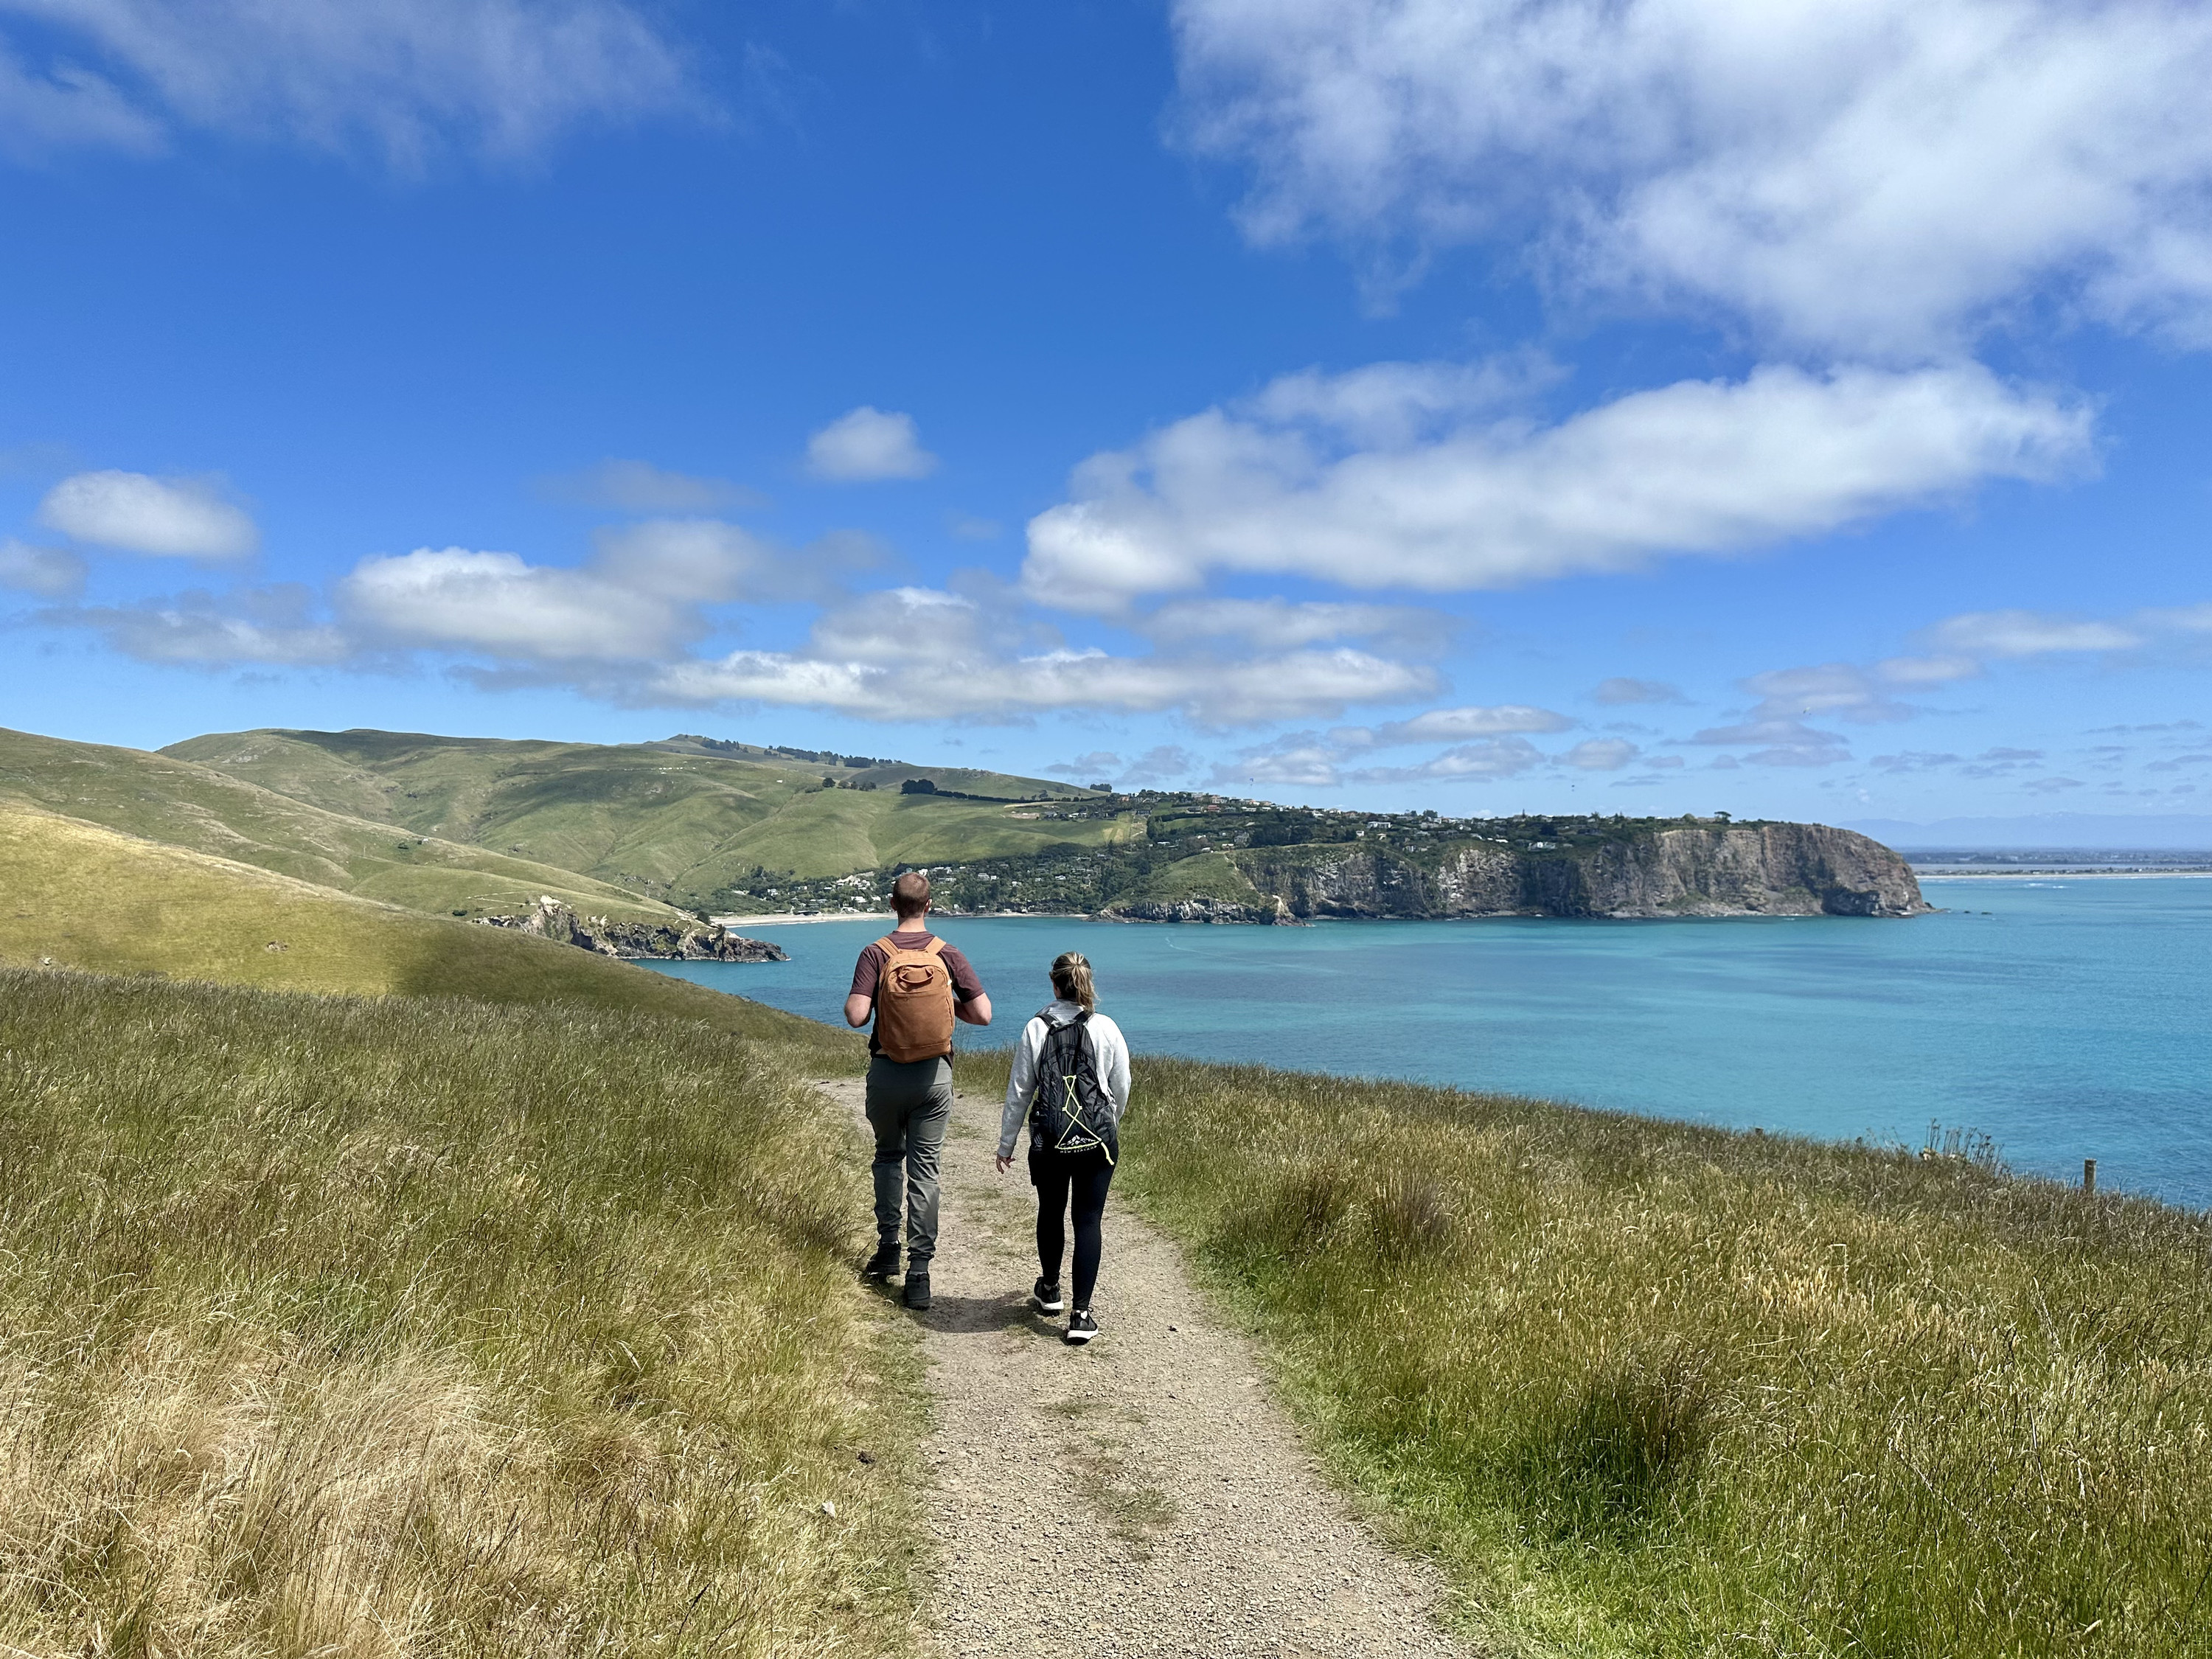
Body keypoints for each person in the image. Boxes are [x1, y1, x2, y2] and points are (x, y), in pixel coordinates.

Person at [845, 870, 991, 1311]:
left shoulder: (876, 952)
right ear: (930, 905)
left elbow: (856, 1016)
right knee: (926, 1171)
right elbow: (983, 1014)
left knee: (889, 1157)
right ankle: (920, 1273)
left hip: (888, 1074)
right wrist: (947, 1008)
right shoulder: (947, 953)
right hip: (934, 1077)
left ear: (893, 905)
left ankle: (888, 1248)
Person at [998, 951, 1130, 1346]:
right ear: (1088, 984)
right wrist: (1109, 1123)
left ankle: (1050, 1289)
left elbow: (1020, 1091)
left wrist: (1006, 1144)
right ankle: (1081, 1314)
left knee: (1051, 1212)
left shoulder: (1036, 1028)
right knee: (1088, 1221)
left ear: (1054, 984)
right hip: (1096, 1141)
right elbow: (1121, 1085)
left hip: (1050, 1141)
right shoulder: (1106, 1027)